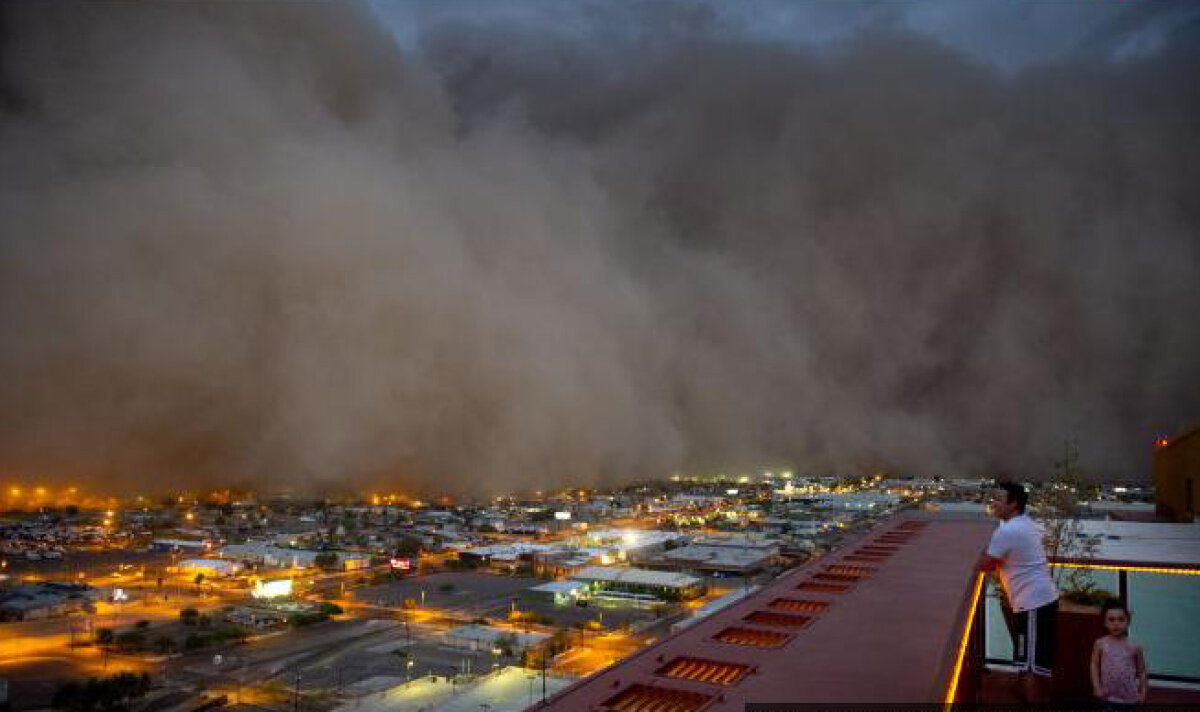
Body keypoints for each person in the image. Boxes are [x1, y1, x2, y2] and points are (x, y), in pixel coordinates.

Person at [978, 481, 1059, 701]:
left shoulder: (1009, 531)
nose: (992, 502)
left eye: (998, 499)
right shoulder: (1024, 523)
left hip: (1033, 604)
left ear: (1013, 504)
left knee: (1030, 668)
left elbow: (984, 564)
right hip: (1041, 600)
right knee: (1038, 666)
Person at [1090, 600, 1148, 711]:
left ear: (1128, 621)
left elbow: (1142, 671)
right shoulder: (1100, 643)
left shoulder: (1134, 646)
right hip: (1107, 697)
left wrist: (1143, 692)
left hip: (1130, 700)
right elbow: (1094, 665)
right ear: (1104, 622)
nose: (1116, 623)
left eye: (1121, 619)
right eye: (1111, 620)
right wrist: (1096, 687)